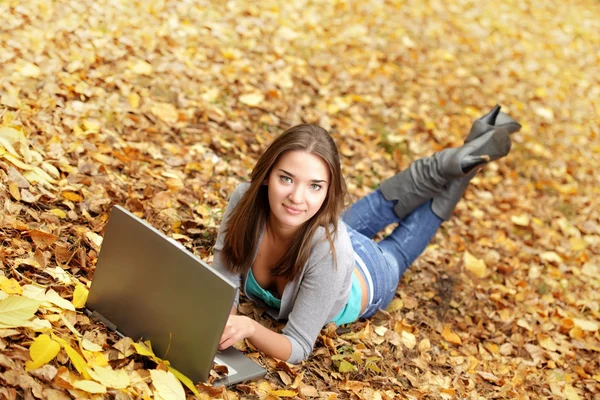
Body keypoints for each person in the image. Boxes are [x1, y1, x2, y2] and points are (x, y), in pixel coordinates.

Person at [211, 106, 521, 364]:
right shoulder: (245, 200)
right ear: (266, 175)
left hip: (369, 274)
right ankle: (459, 157)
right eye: (287, 179)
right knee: (373, 208)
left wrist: (249, 327)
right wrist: (223, 320)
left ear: (329, 190)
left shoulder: (330, 248)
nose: (297, 197)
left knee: (396, 248)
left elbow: (299, 346)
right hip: (319, 238)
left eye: (315, 186)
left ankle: (460, 173)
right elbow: (223, 277)